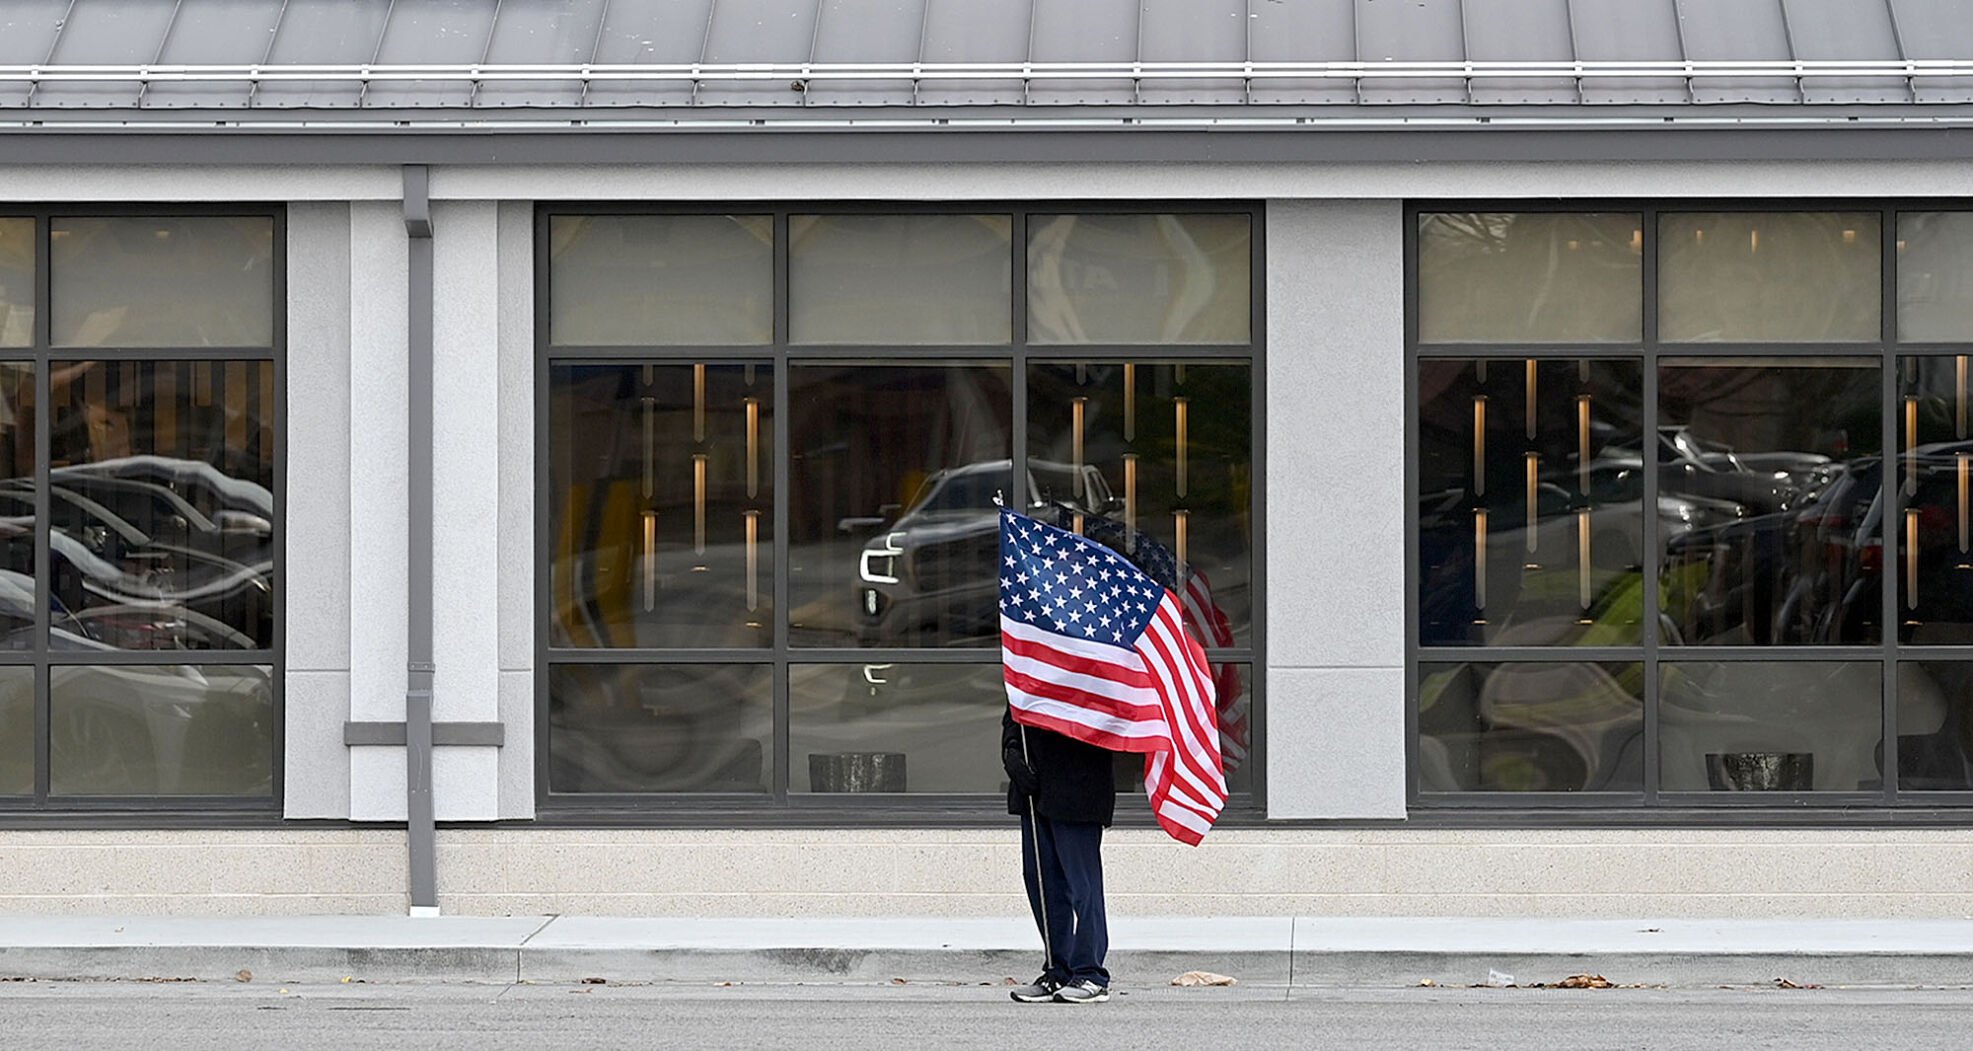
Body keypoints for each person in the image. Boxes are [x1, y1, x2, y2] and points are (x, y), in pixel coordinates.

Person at [1001, 705, 1116, 1004]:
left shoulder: (1095, 664)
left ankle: (1091, 973)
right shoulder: (1029, 660)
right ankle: (1058, 969)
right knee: (1042, 883)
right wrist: (1012, 752)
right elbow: (1014, 709)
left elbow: (1110, 718)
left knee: (1082, 886)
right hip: (1033, 787)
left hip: (1079, 785)